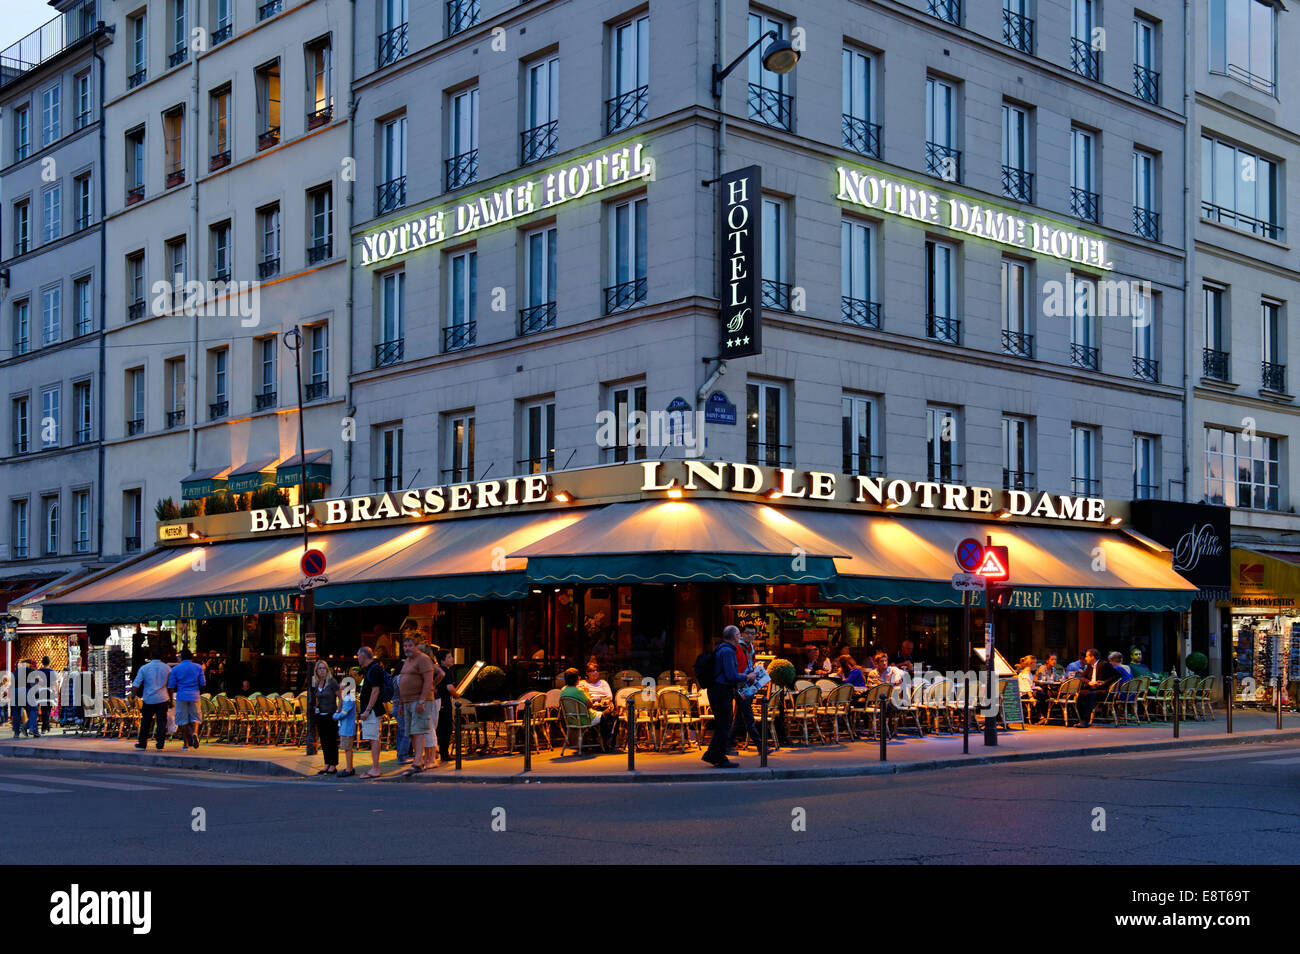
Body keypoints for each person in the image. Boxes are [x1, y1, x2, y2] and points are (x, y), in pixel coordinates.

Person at [702, 626, 754, 768]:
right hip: (721, 691)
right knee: (724, 725)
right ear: (734, 636)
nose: (740, 637)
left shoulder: (722, 649)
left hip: (718, 690)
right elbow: (731, 676)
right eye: (739, 634)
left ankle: (711, 754)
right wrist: (747, 676)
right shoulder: (728, 651)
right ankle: (720, 758)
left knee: (722, 724)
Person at [398, 635, 435, 775]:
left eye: (410, 646)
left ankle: (418, 763)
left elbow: (428, 680)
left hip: (419, 700)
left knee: (418, 731)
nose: (407, 648)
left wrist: (422, 700)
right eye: (405, 646)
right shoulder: (407, 661)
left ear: (416, 646)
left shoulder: (423, 659)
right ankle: (417, 760)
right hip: (407, 701)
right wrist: (402, 704)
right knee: (411, 732)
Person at [730, 628, 770, 754]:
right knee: (748, 718)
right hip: (740, 685)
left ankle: (728, 744)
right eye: (747, 633)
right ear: (741, 634)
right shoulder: (737, 647)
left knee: (739, 719)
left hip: (747, 684)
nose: (750, 635)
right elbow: (738, 667)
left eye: (752, 633)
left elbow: (749, 665)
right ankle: (761, 747)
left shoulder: (751, 648)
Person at [132, 646, 172, 751]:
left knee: (146, 722)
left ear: (151, 656)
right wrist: (171, 699)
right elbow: (170, 685)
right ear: (161, 656)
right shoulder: (167, 668)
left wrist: (132, 697)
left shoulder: (144, 668)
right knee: (161, 722)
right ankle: (160, 743)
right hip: (163, 698)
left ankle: (142, 743)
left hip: (149, 699)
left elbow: (136, 683)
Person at [558, 667, 609, 749]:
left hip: (571, 719)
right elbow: (590, 705)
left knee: (604, 716)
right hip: (585, 719)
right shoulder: (579, 691)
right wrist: (586, 692)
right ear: (577, 678)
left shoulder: (563, 690)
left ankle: (594, 741)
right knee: (609, 714)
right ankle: (604, 743)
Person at [356, 646, 386, 779]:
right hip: (371, 709)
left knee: (373, 738)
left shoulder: (374, 669)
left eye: (358, 655)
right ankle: (374, 767)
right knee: (372, 738)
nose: (357, 658)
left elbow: (375, 690)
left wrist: (367, 709)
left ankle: (375, 768)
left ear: (363, 656)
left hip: (372, 710)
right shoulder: (371, 669)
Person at [167, 649, 206, 749]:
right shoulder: (198, 667)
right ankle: (195, 733)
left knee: (182, 720)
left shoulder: (176, 669)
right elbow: (203, 683)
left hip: (181, 695)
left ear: (181, 657)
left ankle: (185, 744)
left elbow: (171, 686)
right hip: (194, 695)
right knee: (195, 717)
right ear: (191, 657)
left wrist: (171, 700)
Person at [1074, 649, 1120, 726]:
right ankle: (1080, 719)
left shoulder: (1104, 664)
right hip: (1092, 689)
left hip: (1103, 691)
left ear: (1092, 657)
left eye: (1087, 656)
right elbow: (1082, 677)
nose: (1085, 658)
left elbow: (1117, 675)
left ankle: (1085, 721)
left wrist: (1104, 682)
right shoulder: (1089, 666)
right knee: (1078, 694)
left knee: (1091, 695)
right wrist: (1089, 682)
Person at [310, 660, 341, 775]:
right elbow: (316, 697)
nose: (322, 670)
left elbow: (340, 697)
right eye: (319, 668)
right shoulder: (317, 683)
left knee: (332, 740)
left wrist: (338, 712)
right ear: (316, 671)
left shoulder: (332, 682)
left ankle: (333, 764)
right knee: (323, 740)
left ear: (327, 670)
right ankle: (327, 763)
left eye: (324, 668)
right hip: (320, 715)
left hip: (330, 715)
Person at [416, 644, 444, 769]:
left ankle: (431, 758)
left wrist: (432, 685)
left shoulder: (428, 663)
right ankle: (429, 757)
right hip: (429, 698)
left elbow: (441, 674)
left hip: (431, 699)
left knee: (429, 727)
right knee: (428, 727)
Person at [334, 666, 360, 777]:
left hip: (347, 728)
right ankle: (349, 767)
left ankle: (349, 769)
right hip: (345, 727)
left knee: (348, 748)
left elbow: (344, 713)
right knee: (347, 748)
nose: (340, 685)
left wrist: (336, 716)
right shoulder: (346, 697)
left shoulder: (349, 698)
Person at [35, 657, 55, 733]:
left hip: (41, 691)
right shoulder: (52, 671)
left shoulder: (38, 671)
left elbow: (36, 683)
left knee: (43, 710)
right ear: (49, 662)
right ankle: (45, 727)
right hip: (49, 691)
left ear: (42, 662)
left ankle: (46, 726)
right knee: (48, 710)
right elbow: (54, 684)